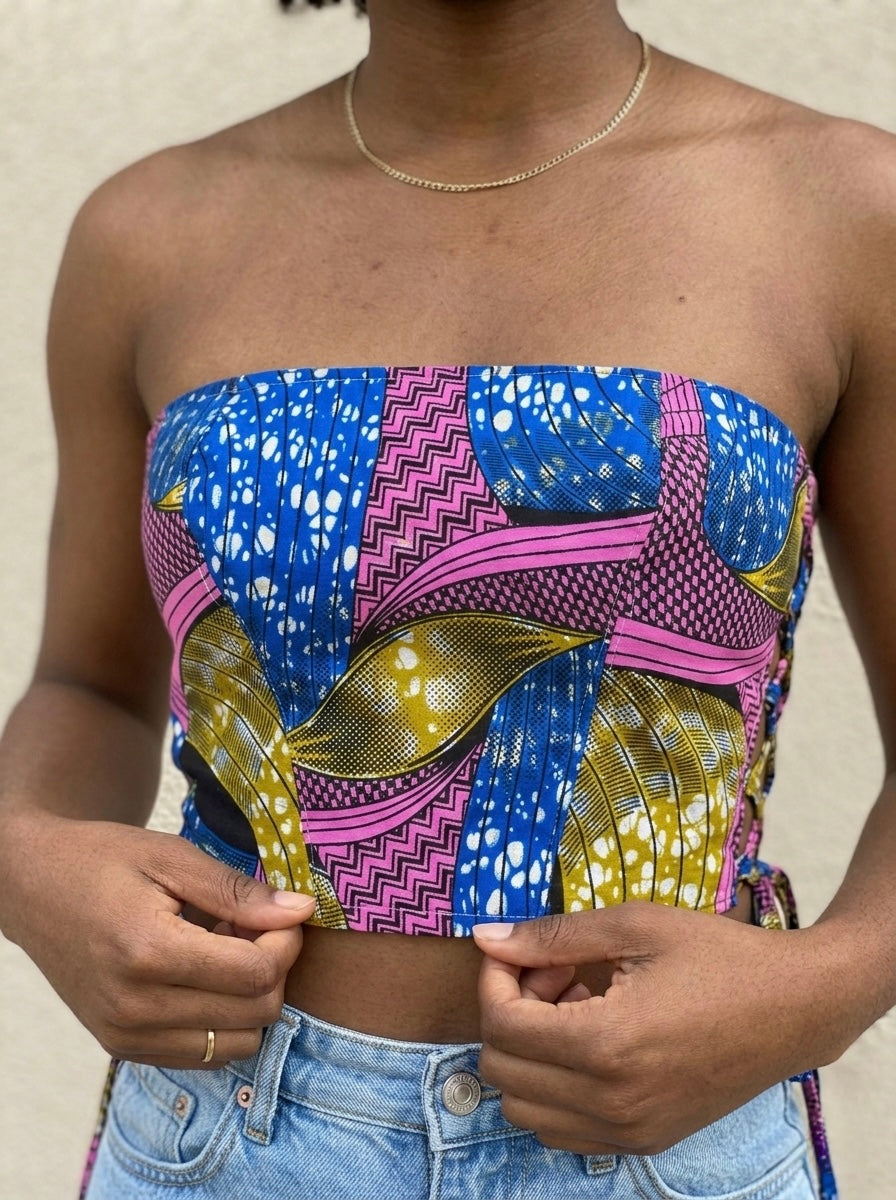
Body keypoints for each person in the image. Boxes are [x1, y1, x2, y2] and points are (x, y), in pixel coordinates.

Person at [0, 1, 893, 1197]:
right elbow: (90, 685)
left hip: (664, 1151)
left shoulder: (846, 209)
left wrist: (826, 988)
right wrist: (27, 865)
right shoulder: (150, 231)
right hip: (218, 1134)